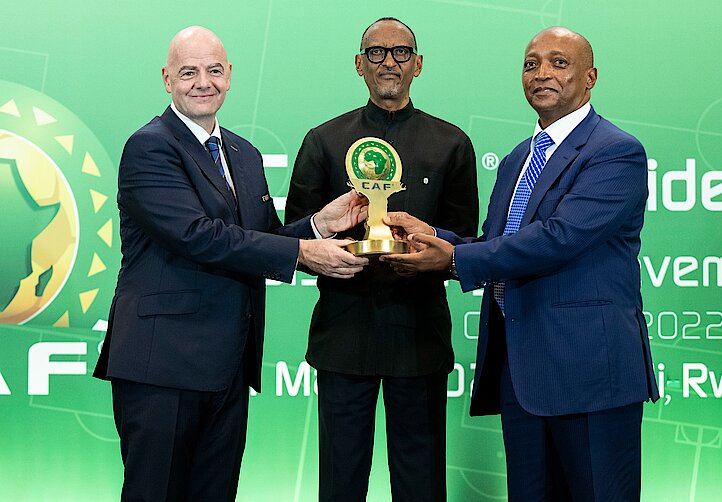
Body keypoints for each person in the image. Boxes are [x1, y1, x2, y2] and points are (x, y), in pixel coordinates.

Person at [382, 26, 659, 501]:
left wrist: (454, 260)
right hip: (522, 372)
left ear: (590, 77)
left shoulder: (615, 151)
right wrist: (432, 236)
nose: (541, 73)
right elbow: (500, 243)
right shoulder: (517, 159)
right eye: (531, 64)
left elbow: (559, 238)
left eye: (558, 62)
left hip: (590, 372)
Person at [93, 26, 369, 501]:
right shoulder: (150, 146)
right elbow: (197, 236)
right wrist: (303, 253)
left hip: (227, 367)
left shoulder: (245, 153)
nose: (203, 82)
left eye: (214, 70)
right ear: (166, 79)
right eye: (189, 72)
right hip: (162, 367)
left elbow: (261, 238)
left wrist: (319, 226)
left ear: (230, 76)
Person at [284, 17, 478, 502]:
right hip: (343, 335)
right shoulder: (323, 140)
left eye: (400, 52)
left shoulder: (452, 143)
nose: (388, 61)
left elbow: (467, 242)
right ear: (358, 65)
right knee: (340, 483)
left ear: (418, 65)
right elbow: (292, 240)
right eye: (375, 52)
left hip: (420, 336)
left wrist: (430, 250)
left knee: (421, 483)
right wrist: (326, 255)